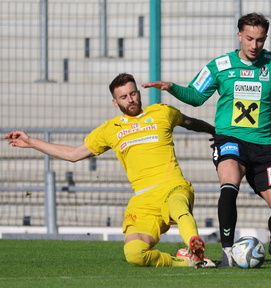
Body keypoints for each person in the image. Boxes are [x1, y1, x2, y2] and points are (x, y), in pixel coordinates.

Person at [142, 12, 271, 267]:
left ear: (265, 38)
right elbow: (195, 96)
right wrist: (172, 87)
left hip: (264, 144)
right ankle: (227, 252)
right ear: (239, 35)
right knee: (229, 186)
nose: (254, 45)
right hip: (230, 138)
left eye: (260, 40)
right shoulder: (220, 65)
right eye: (249, 38)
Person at [4, 73, 217, 268]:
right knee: (134, 254)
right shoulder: (109, 130)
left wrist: (216, 132)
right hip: (143, 200)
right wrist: (31, 142)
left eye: (133, 93)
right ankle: (187, 261)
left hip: (173, 187)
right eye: (124, 97)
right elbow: (73, 155)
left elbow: (190, 122)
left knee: (179, 207)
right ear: (115, 102)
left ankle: (193, 244)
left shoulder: (162, 112)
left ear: (139, 93)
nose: (130, 99)